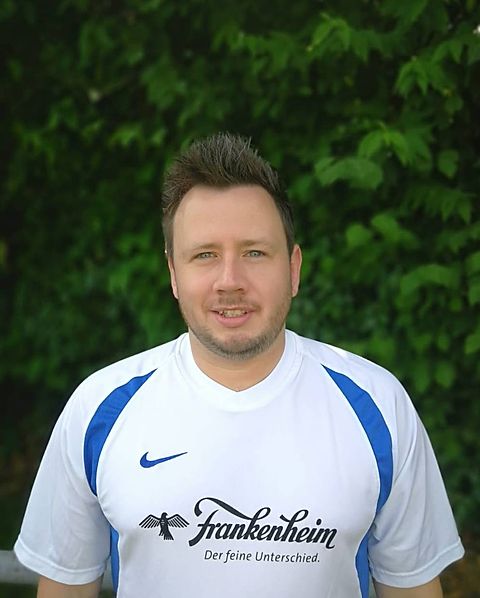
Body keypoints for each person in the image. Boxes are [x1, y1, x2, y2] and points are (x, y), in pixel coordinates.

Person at [14, 133, 464, 598]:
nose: (230, 281)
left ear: (293, 269)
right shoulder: (99, 409)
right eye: (205, 255)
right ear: (173, 273)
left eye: (254, 252)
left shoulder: (378, 406)